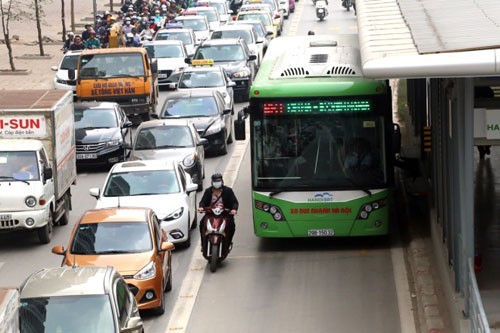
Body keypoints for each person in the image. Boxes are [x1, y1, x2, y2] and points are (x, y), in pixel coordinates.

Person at [198, 173, 239, 253]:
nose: (217, 183)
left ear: (222, 181)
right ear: (212, 182)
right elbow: (203, 202)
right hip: (211, 214)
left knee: (232, 226)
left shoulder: (228, 191)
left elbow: (234, 202)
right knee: (202, 223)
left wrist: (234, 209)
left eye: (218, 181)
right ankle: (203, 244)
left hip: (225, 214)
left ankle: (228, 243)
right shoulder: (208, 191)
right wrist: (201, 207)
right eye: (215, 181)